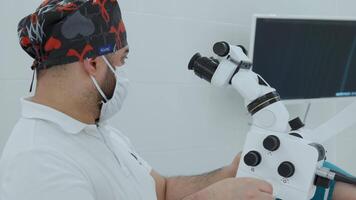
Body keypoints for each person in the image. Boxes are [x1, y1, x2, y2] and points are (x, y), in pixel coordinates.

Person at [0, 0, 355, 200]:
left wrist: (229, 172)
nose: (123, 73)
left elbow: (163, 190)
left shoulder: (96, 128)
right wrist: (215, 198)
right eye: (121, 61)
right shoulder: (39, 161)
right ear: (93, 63)